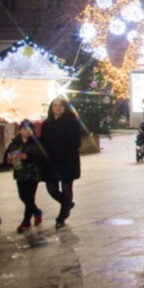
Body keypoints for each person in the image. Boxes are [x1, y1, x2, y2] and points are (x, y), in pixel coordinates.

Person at [40, 98, 82, 229]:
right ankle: (67, 203)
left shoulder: (72, 123)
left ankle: (62, 216)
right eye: (55, 105)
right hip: (51, 161)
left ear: (65, 108)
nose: (57, 108)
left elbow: (75, 142)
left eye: (60, 105)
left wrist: (66, 154)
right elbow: (43, 141)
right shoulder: (47, 123)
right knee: (51, 189)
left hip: (67, 161)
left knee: (66, 188)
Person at [5, 120, 45, 232]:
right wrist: (9, 160)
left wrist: (27, 156)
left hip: (33, 174)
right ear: (20, 130)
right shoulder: (15, 143)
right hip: (20, 174)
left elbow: (42, 157)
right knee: (23, 197)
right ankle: (36, 211)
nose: (27, 131)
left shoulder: (37, 142)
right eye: (25, 129)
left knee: (29, 198)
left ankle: (26, 221)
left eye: (30, 129)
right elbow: (7, 157)